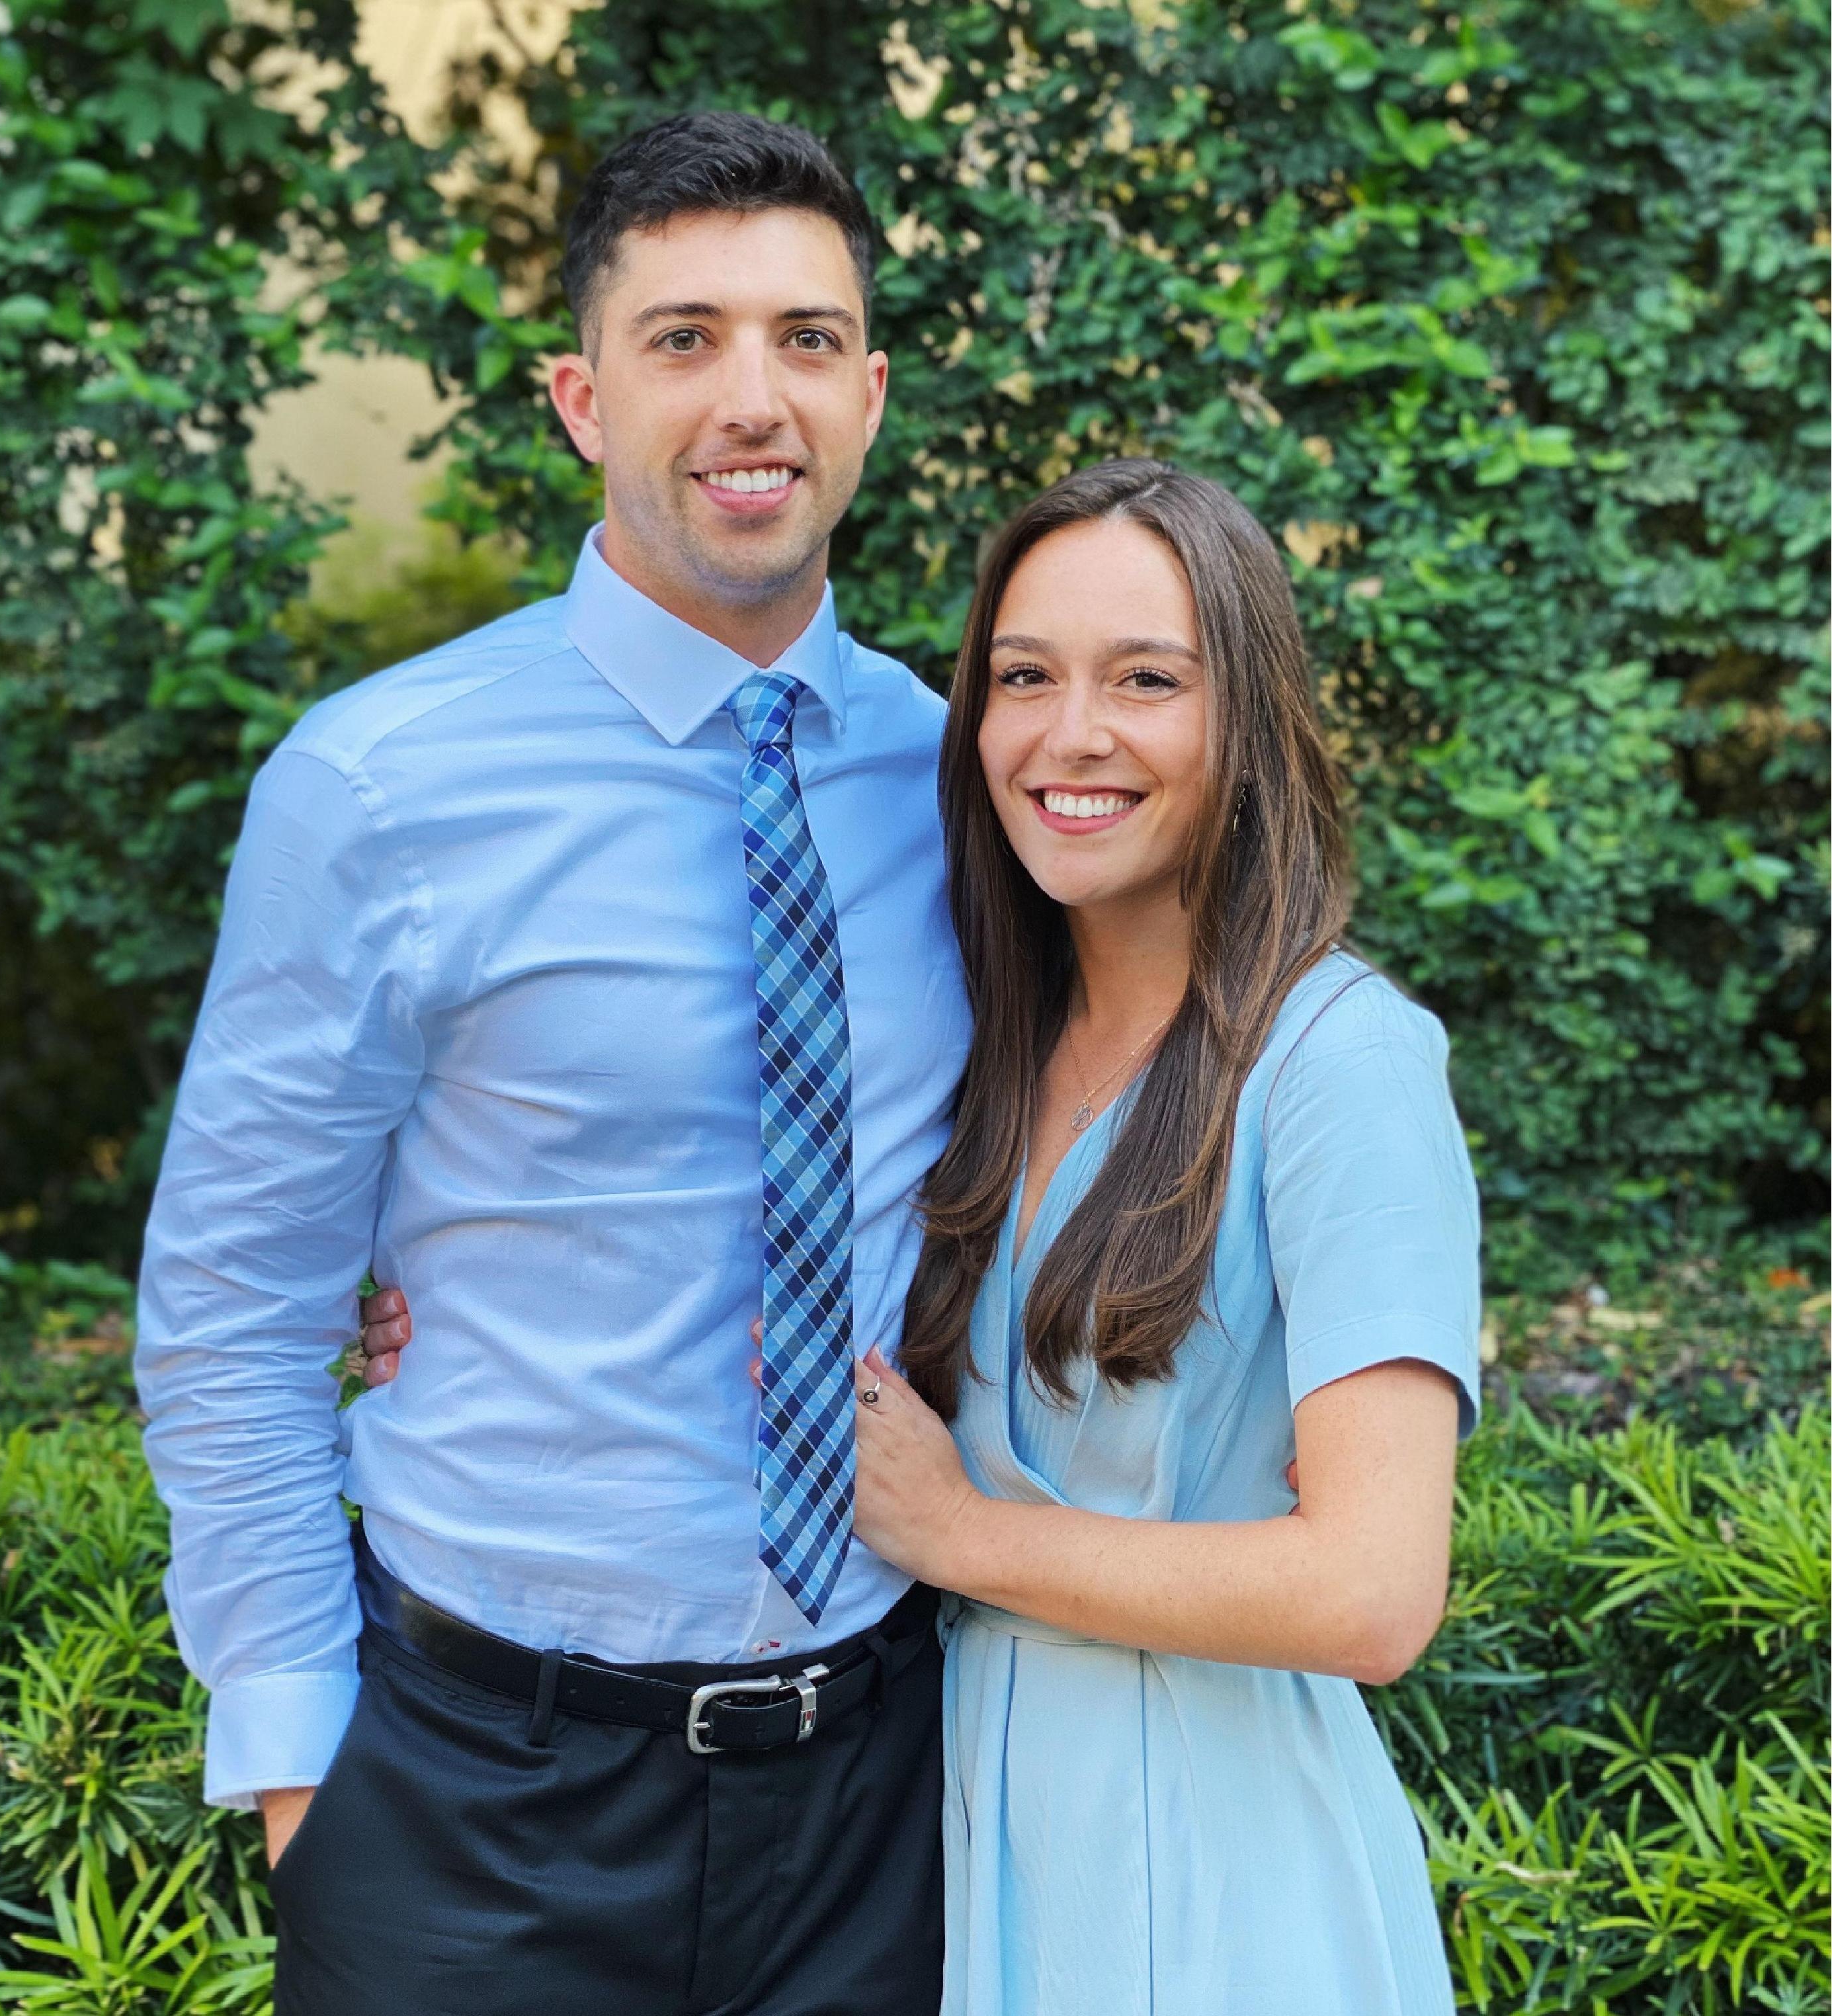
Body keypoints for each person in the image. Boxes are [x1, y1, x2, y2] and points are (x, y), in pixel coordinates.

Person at [366, 458, 1481, 2015]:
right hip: (954, 1833)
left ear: (1249, 721)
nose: (1069, 733)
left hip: (1212, 1865)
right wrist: (431, 1281)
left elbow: (1373, 1594)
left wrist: (956, 1534)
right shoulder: (991, 1034)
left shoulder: (1340, 1063)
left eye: (1145, 679)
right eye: (1022, 677)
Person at [135, 112, 971, 2014]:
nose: (752, 398)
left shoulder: (961, 781)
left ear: (869, 397)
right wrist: (306, 1789)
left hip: (879, 1795)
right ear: (583, 400)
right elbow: (236, 1303)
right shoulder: (377, 787)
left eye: (807, 339)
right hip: (477, 1808)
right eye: (684, 338)